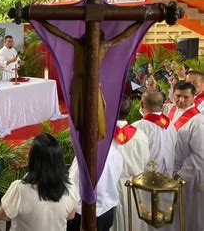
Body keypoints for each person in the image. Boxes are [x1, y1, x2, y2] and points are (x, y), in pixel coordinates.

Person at [0, 133, 78, 230]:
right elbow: (71, 215)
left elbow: (2, 215)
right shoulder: (70, 187)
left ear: (33, 159)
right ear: (60, 160)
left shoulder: (19, 188)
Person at [167, 81, 204, 231]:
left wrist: (183, 174)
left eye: (186, 97)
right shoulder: (169, 110)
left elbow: (200, 154)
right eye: (178, 96)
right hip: (171, 169)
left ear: (194, 97)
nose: (181, 100)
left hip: (187, 174)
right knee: (174, 213)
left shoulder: (198, 121)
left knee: (189, 213)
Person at [111, 97, 150, 231]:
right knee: (133, 220)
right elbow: (146, 160)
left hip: (111, 185)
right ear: (129, 112)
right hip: (135, 184)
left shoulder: (103, 136)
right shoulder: (140, 135)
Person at [68, 144, 123, 231]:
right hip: (106, 210)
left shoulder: (86, 154)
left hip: (85, 212)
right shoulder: (115, 152)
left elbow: (73, 186)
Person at [133, 89, 176, 176]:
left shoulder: (138, 127)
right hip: (167, 178)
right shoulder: (170, 124)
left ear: (141, 104)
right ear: (162, 104)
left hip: (146, 180)